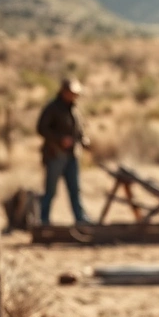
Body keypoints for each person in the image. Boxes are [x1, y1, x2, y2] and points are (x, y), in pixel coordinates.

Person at [36, 77, 91, 226]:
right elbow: (42, 128)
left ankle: (80, 219)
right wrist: (60, 139)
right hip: (55, 155)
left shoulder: (74, 109)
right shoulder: (53, 107)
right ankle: (43, 220)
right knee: (50, 191)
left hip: (72, 155)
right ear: (64, 92)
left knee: (75, 189)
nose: (74, 96)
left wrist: (84, 140)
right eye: (72, 93)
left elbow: (78, 131)